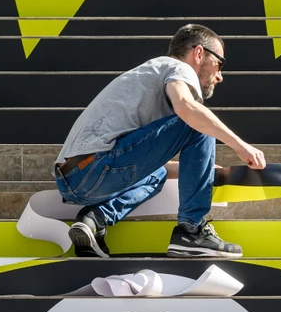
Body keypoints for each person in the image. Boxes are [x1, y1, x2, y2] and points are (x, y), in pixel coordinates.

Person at [53, 24, 267, 259]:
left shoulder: (148, 73)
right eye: (219, 63)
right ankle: (192, 231)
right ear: (198, 54)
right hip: (99, 167)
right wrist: (240, 145)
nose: (220, 76)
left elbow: (135, 163)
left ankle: (94, 219)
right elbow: (187, 108)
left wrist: (201, 169)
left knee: (159, 173)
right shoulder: (178, 67)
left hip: (75, 181)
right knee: (196, 119)